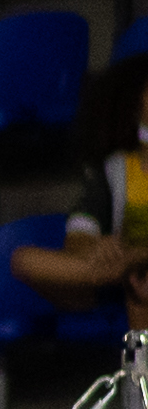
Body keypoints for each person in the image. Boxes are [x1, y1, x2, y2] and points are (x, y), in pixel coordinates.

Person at [13, 50, 148, 329]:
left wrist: (138, 257)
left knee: (139, 282)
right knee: (23, 260)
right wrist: (101, 250)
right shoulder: (115, 170)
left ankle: (140, 357)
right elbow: (78, 237)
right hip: (114, 274)